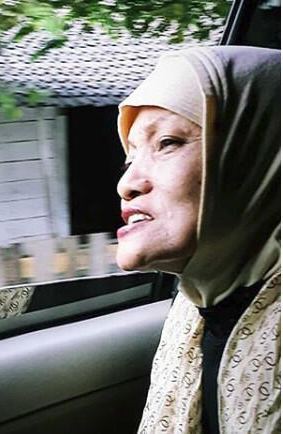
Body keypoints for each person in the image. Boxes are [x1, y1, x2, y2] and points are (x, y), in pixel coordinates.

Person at [115, 46, 280, 433]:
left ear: (254, 153)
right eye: (130, 158)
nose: (126, 184)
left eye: (167, 143)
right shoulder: (194, 310)